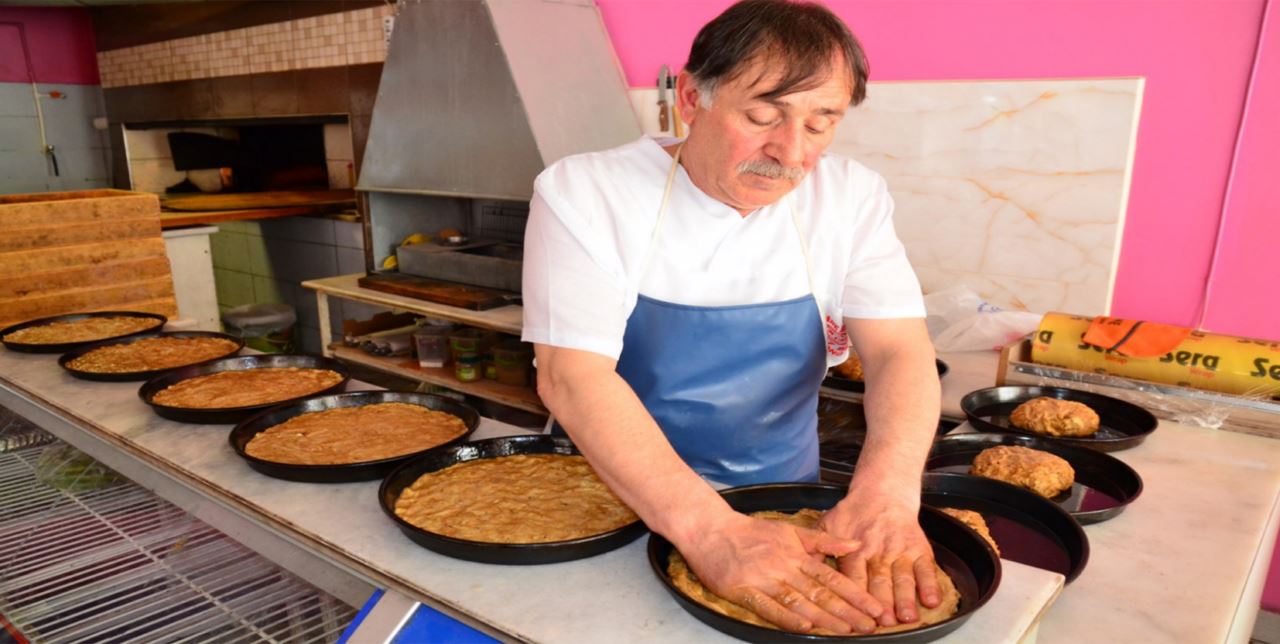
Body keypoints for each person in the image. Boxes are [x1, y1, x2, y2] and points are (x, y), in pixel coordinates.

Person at [521, 0, 941, 635]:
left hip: (784, 502)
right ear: (692, 98)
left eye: (821, 122)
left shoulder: (850, 198)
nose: (791, 152)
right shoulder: (587, 192)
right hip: (608, 500)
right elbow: (571, 377)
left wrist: (885, 495)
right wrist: (710, 531)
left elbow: (899, 352)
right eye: (762, 115)